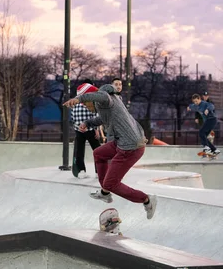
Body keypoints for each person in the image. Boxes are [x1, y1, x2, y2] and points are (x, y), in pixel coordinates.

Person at [62, 84, 157, 220]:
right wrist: (88, 123)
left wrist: (79, 98)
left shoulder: (107, 98)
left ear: (91, 98)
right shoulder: (106, 106)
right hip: (121, 142)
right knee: (99, 153)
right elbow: (103, 119)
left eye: (87, 105)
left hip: (130, 147)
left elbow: (100, 95)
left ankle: (147, 200)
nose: (87, 108)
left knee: (111, 184)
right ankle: (105, 193)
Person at [70, 83, 103, 179]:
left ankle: (81, 171)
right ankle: (99, 171)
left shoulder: (74, 104)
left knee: (79, 151)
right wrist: (97, 129)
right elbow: (96, 117)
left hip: (79, 131)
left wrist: (78, 127)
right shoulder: (92, 104)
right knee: (98, 151)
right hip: (91, 130)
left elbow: (72, 118)